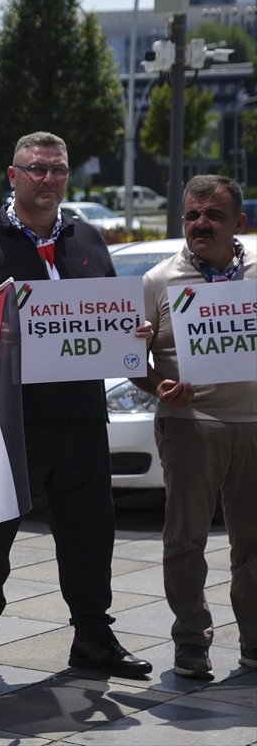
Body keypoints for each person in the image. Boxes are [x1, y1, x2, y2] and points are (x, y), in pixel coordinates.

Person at [0, 131, 152, 680]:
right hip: (8, 422)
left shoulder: (89, 239)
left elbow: (105, 316)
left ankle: (94, 640)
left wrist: (131, 333)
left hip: (80, 416)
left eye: (57, 170)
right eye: (36, 169)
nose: (47, 179)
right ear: (12, 175)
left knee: (90, 535)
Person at [131, 175, 255, 679]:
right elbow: (132, 359)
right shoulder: (158, 281)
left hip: (254, 424)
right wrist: (158, 385)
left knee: (254, 540)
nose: (201, 224)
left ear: (239, 223)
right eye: (192, 216)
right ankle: (190, 640)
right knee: (186, 539)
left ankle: (254, 640)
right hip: (190, 425)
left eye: (214, 215)